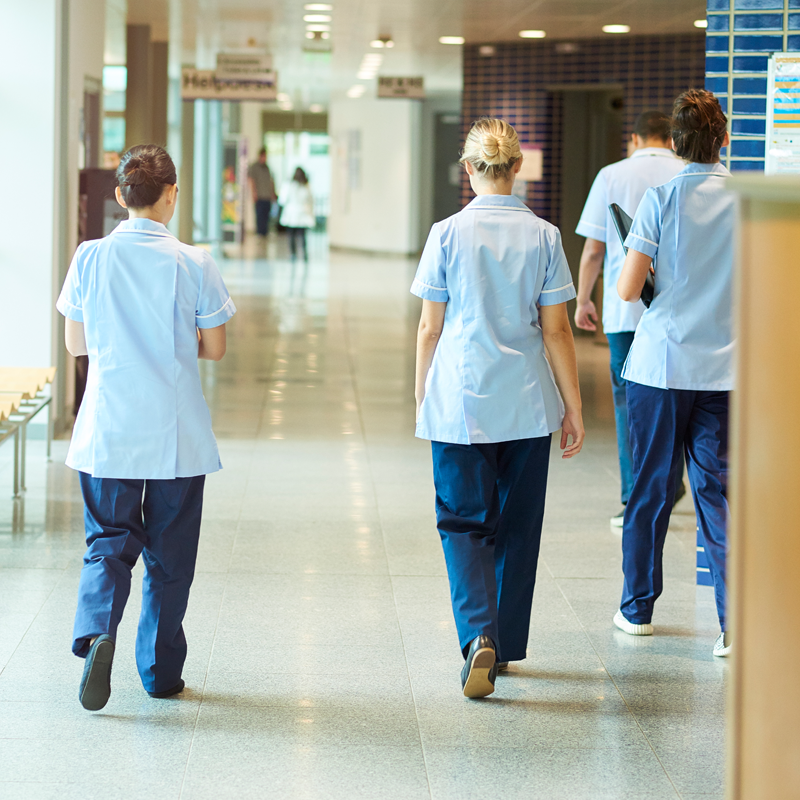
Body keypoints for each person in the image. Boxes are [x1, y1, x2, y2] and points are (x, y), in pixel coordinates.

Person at [56, 144, 237, 710]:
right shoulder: (195, 261)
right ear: (172, 196)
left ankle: (98, 637)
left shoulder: (89, 256)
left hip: (108, 427)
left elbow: (75, 344)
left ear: (119, 197)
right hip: (175, 435)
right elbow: (215, 348)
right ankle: (159, 672)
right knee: (169, 556)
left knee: (106, 544)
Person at [412, 118, 585, 699]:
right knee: (517, 526)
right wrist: (573, 407)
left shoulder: (446, 234)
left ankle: (477, 636)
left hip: (461, 399)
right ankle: (504, 646)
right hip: (528, 404)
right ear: (517, 169)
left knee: (463, 523)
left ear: (469, 171)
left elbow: (429, 328)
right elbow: (557, 330)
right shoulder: (545, 236)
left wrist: (423, 395)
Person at [614, 90, 733, 657]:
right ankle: (734, 625)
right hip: (725, 370)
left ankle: (637, 610)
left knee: (651, 490)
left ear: (677, 145)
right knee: (719, 493)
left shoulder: (661, 198)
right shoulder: (747, 200)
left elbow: (628, 289)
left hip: (660, 368)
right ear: (724, 139)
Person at [575, 111, 685, 527]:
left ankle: (632, 495)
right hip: (676, 309)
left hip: (625, 310)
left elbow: (593, 250)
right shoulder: (687, 172)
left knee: (627, 401)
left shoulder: (611, 175)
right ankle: (671, 481)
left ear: (635, 138)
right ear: (670, 139)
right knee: (676, 397)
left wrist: (584, 299)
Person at [279, 167, 315, 260]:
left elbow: (282, 200)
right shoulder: (306, 186)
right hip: (302, 214)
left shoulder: (289, 185)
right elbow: (310, 200)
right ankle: (304, 253)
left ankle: (293, 254)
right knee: (302, 235)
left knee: (291, 235)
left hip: (291, 214)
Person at [248, 147, 277, 236]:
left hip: (267, 196)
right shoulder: (254, 167)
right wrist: (254, 193)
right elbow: (251, 180)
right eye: (264, 156)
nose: (265, 158)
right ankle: (259, 233)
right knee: (259, 216)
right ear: (260, 156)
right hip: (259, 196)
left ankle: (265, 233)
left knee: (266, 216)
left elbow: (271, 181)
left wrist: (273, 193)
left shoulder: (267, 168)